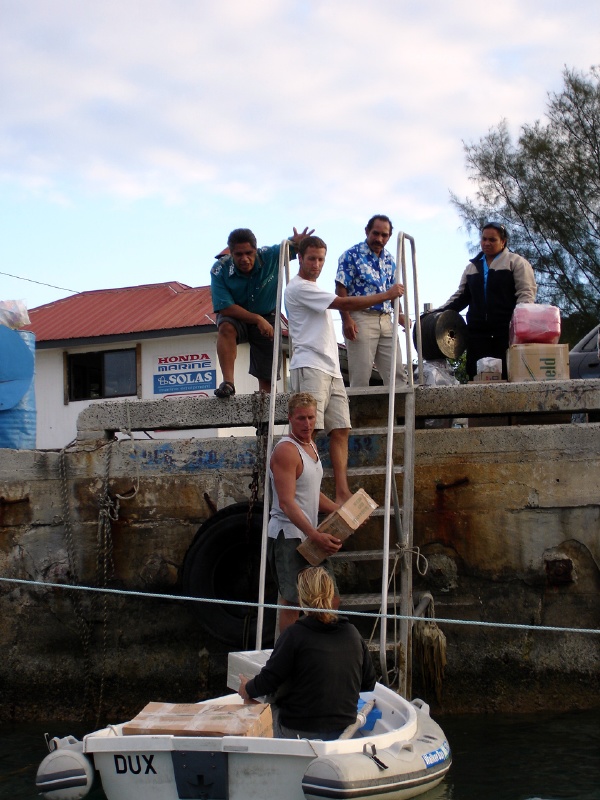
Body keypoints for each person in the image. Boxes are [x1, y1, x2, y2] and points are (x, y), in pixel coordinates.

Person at [284, 235, 405, 503]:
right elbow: (344, 303)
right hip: (310, 365)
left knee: (340, 429)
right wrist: (387, 295)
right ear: (300, 258)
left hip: (332, 368)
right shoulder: (298, 287)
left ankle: (341, 492)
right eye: (311, 259)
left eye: (321, 259)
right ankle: (303, 492)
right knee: (307, 431)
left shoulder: (313, 287)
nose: (316, 264)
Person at [238, 566, 376, 740]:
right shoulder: (352, 633)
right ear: (331, 594)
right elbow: (368, 683)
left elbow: (268, 681)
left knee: (253, 702)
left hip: (299, 731)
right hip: (343, 731)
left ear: (301, 598)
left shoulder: (294, 635)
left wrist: (246, 688)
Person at [268, 392, 342, 633]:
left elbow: (311, 493)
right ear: (290, 418)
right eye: (301, 418)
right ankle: (287, 652)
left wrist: (342, 513)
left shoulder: (311, 445)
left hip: (309, 535)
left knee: (330, 598)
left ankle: (321, 648)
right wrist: (316, 535)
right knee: (292, 602)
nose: (307, 424)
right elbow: (286, 503)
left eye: (311, 417)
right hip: (288, 535)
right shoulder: (286, 451)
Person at [210, 226, 313, 397]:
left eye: (249, 253)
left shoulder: (270, 255)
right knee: (225, 327)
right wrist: (257, 319)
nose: (244, 259)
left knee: (267, 377)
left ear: (256, 250)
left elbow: (291, 247)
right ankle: (228, 383)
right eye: (238, 254)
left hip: (267, 315)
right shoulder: (219, 269)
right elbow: (225, 307)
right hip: (236, 316)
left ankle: (265, 403)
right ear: (231, 253)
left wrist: (298, 242)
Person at [434, 222, 537, 379]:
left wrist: (518, 326)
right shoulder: (472, 267)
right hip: (478, 334)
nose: (487, 243)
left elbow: (526, 295)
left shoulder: (516, 263)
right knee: (476, 375)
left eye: (492, 240)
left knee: (508, 376)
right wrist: (437, 312)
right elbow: (460, 297)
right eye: (484, 239)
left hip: (506, 333)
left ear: (503, 242)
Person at [336, 215, 409, 387]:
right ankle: (359, 406)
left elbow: (393, 292)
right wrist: (346, 319)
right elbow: (340, 287)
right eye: (376, 233)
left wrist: (400, 314)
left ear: (389, 236)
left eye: (384, 235)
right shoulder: (351, 255)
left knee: (397, 375)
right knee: (361, 376)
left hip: (385, 318)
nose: (379, 239)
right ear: (367, 231)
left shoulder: (389, 259)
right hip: (361, 317)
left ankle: (397, 406)